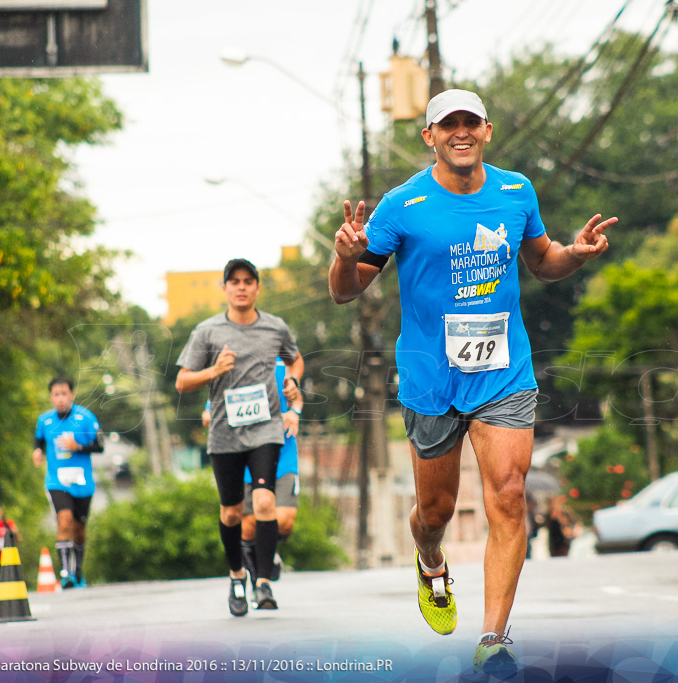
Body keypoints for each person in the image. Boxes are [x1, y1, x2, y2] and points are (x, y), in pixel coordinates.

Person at [328, 88, 614, 676]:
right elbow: (346, 289)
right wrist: (344, 256)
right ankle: (429, 557)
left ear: (487, 130)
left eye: (470, 122)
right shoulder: (403, 205)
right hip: (431, 378)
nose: (460, 132)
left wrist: (576, 255)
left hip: (503, 371)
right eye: (446, 124)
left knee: (509, 494)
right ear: (428, 136)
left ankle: (493, 638)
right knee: (435, 510)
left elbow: (543, 262)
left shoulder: (516, 191)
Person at [176, 258, 303, 617]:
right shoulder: (207, 331)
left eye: (249, 281)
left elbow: (295, 359)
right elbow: (182, 381)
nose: (242, 287)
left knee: (264, 503)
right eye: (235, 282)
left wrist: (292, 381)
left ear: (258, 287)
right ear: (225, 289)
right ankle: (236, 576)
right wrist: (213, 370)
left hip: (265, 429)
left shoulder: (274, 327)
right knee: (231, 513)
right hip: (225, 433)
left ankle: (262, 583)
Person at [202, 359, 302, 590]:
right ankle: (258, 579)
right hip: (244, 455)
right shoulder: (229, 371)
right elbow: (211, 409)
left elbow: (296, 397)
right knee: (248, 526)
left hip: (282, 451)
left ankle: (266, 552)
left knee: (284, 521)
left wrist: (295, 411)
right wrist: (210, 416)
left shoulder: (280, 366)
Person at [33, 378, 104, 588]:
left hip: (82, 481)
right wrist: (37, 452)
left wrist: (78, 447)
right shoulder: (44, 420)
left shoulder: (85, 417)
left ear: (71, 394)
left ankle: (78, 570)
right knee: (64, 521)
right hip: (57, 480)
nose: (60, 398)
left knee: (79, 528)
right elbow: (38, 440)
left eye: (64, 393)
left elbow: (100, 446)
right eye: (56, 394)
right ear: (51, 397)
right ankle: (65, 574)